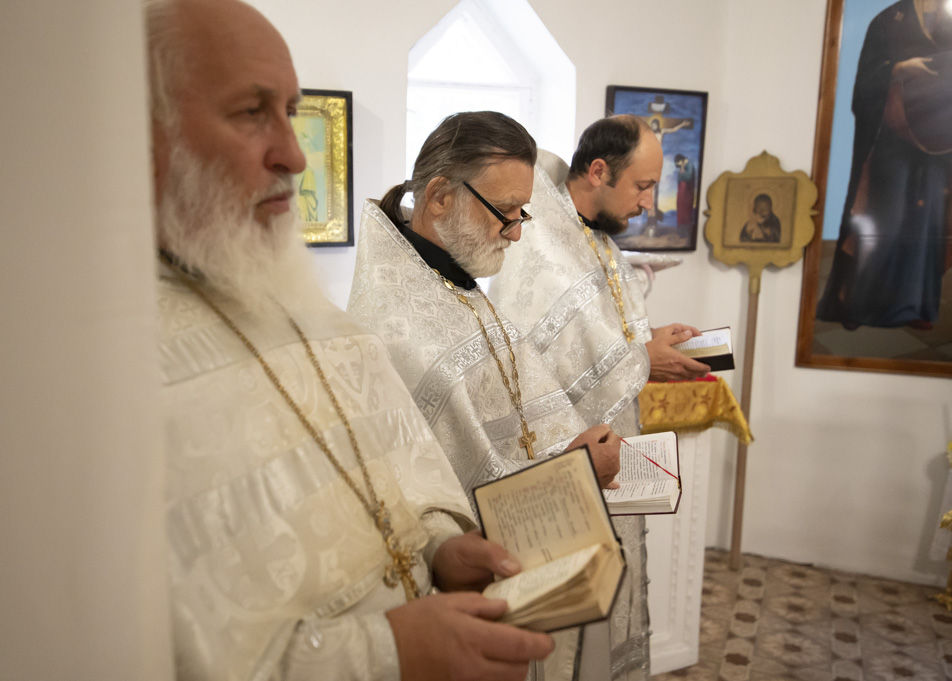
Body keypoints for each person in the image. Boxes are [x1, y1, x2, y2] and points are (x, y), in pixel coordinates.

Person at [145, 2, 557, 680]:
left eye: (289, 112)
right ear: (143, 131)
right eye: (251, 111)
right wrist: (386, 650)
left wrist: (439, 548)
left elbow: (387, 482)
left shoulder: (315, 319)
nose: (295, 154)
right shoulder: (113, 366)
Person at [346, 111, 638, 681]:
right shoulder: (394, 328)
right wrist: (574, 472)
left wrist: (571, 453)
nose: (517, 231)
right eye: (505, 211)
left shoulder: (453, 281)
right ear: (439, 197)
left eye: (521, 211)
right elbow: (437, 503)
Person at [489, 115, 709, 440]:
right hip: (558, 447)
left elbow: (590, 335)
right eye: (642, 186)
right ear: (598, 172)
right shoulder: (535, 242)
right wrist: (642, 361)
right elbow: (524, 362)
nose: (649, 203)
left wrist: (648, 339)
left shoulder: (599, 239)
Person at [816, 0, 952, 329]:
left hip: (940, 143)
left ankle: (914, 306)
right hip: (892, 137)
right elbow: (863, 85)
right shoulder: (888, 20)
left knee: (927, 222)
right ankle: (861, 303)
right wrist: (901, 68)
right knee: (885, 217)